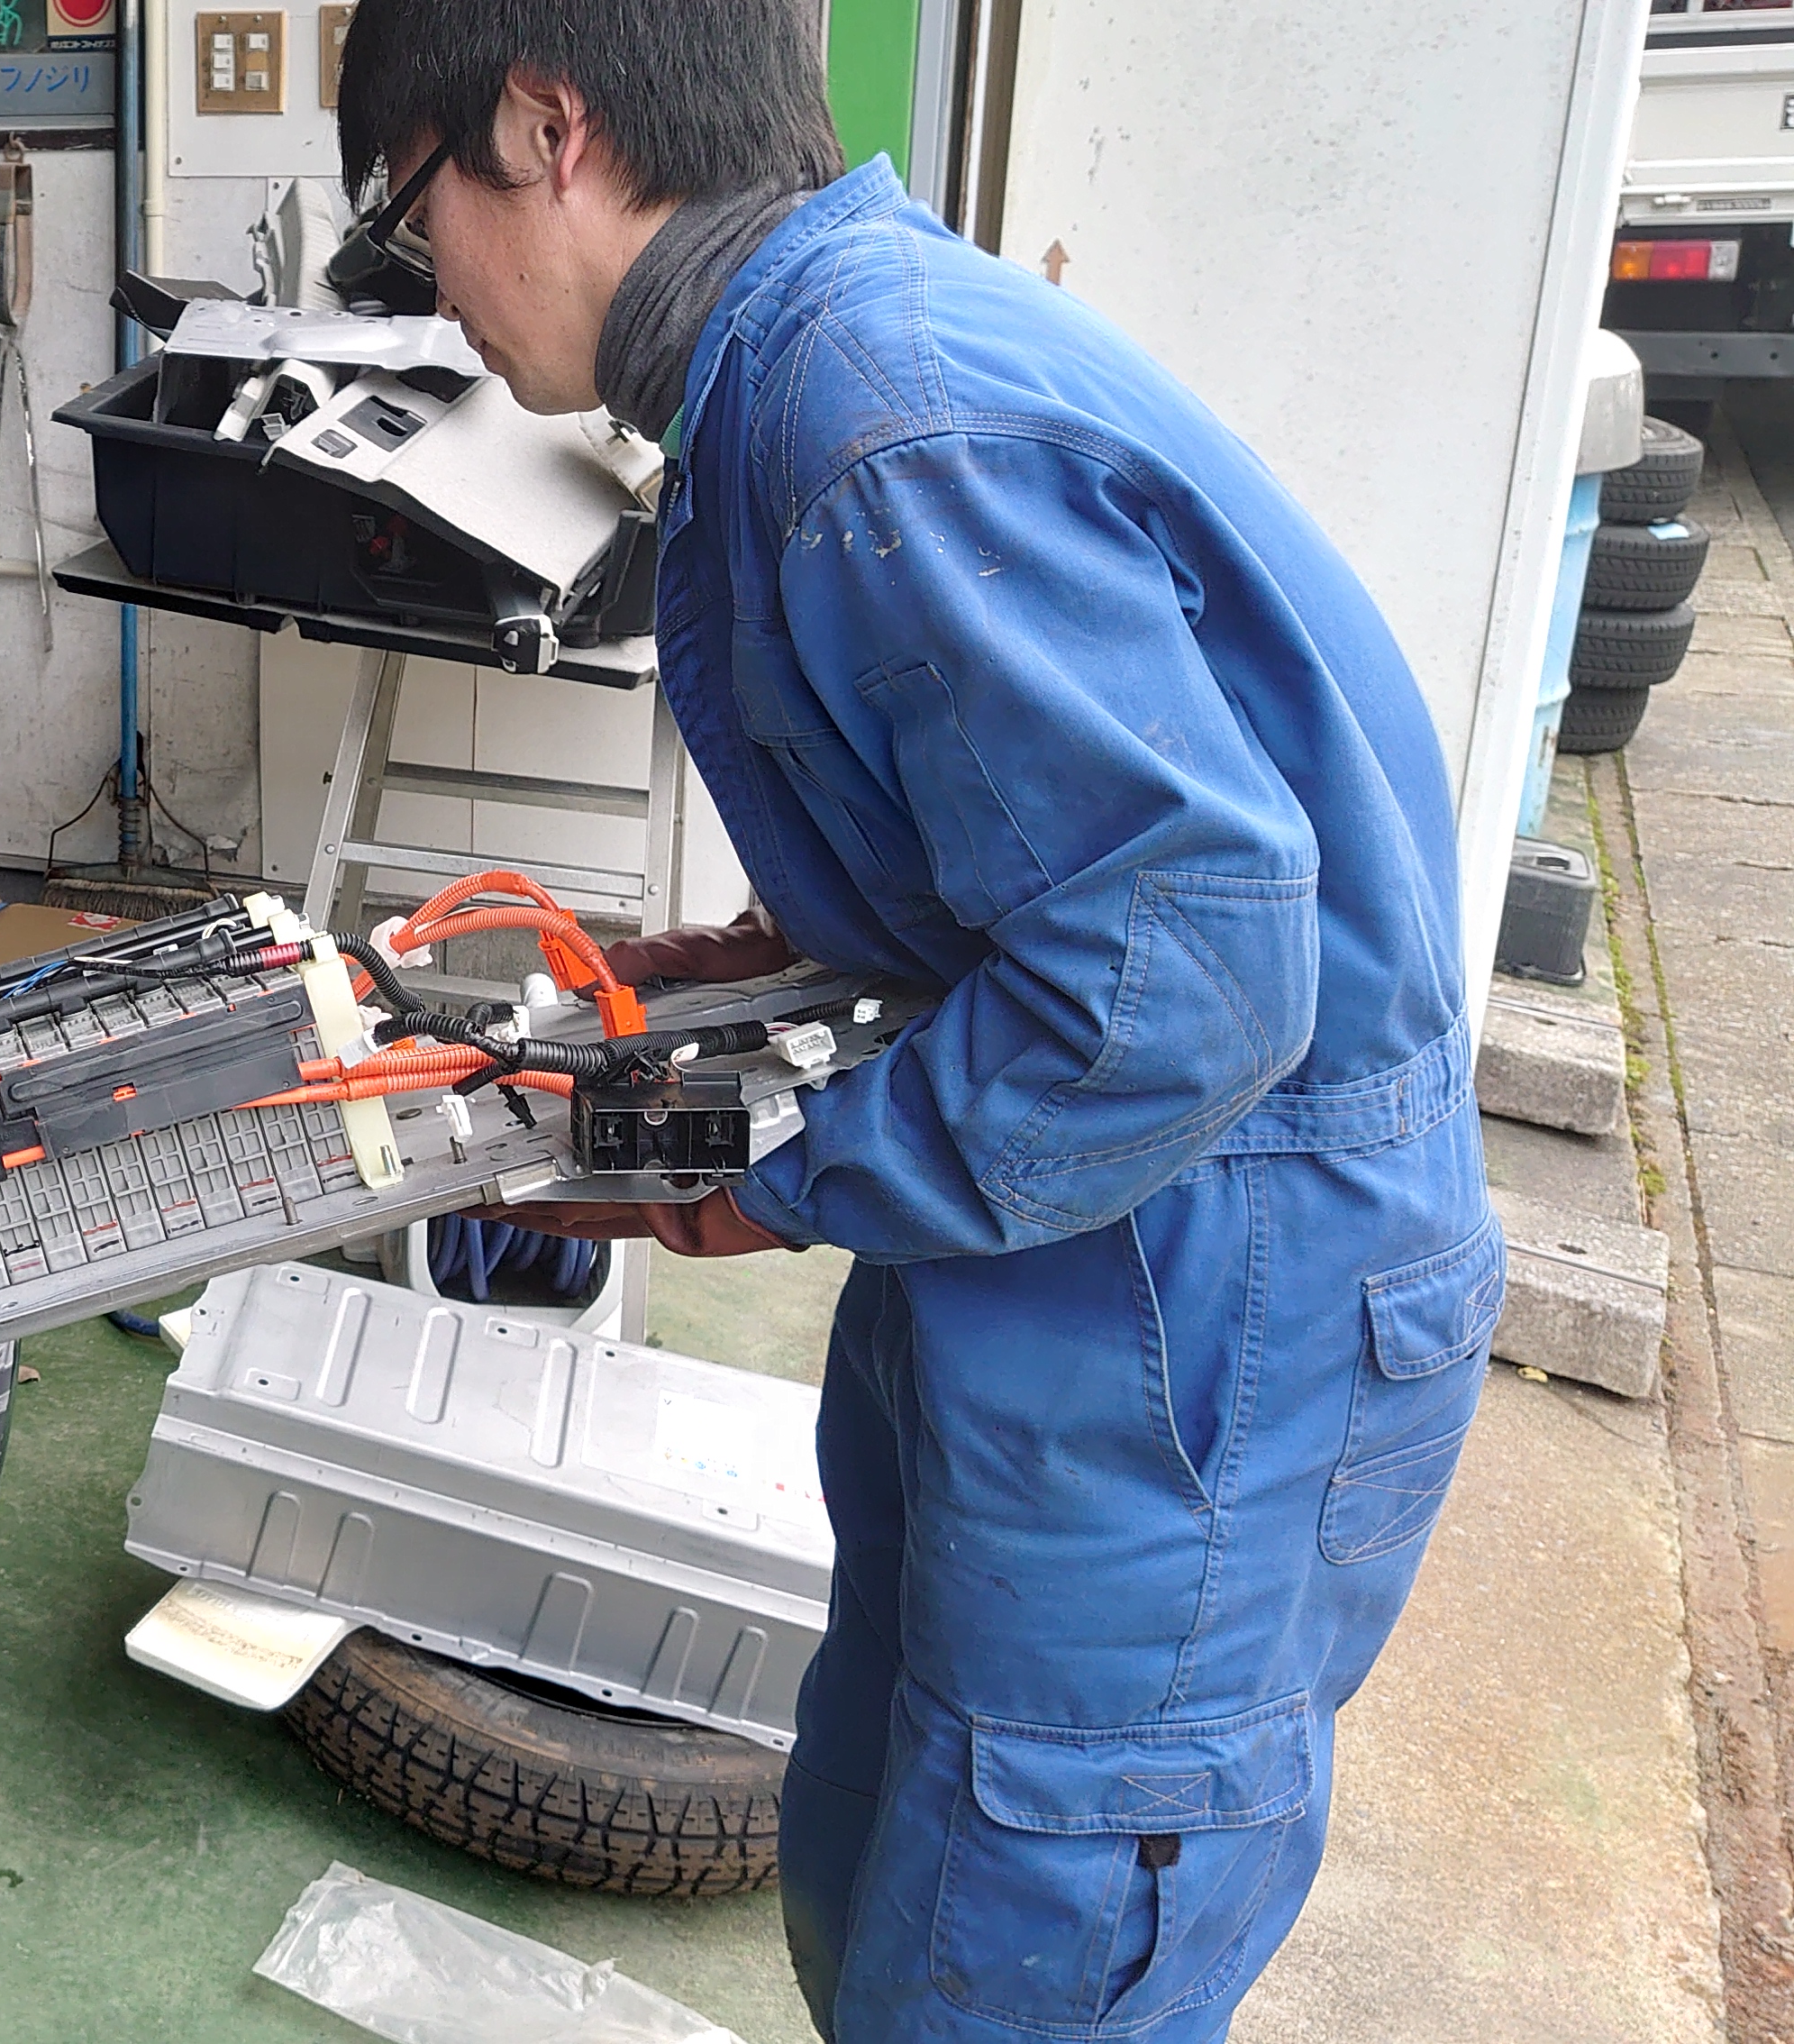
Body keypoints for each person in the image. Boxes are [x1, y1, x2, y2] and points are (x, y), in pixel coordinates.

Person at [336, 3, 1498, 2036]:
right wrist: (754, 972)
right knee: (891, 1879)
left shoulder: (873, 420)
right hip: (1063, 1246)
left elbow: (1189, 977)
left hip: (1200, 1320)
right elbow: (1019, 857)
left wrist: (745, 1175)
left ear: (544, 126)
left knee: (1019, 1949)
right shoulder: (806, 364)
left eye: (407, 209)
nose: (428, 284)